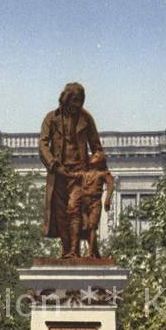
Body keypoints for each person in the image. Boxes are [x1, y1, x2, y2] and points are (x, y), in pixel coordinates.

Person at [39, 82, 103, 257]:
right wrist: (53, 164)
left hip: (79, 174)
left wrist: (93, 166)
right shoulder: (51, 118)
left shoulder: (86, 119)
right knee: (60, 215)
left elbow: (97, 147)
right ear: (65, 99)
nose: (78, 105)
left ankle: (74, 250)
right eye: (75, 100)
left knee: (74, 210)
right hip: (58, 173)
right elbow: (43, 145)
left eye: (81, 101)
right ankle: (67, 250)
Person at [66, 151, 114, 258]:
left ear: (100, 161)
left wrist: (108, 199)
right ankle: (83, 251)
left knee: (92, 227)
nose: (92, 157)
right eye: (93, 156)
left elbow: (111, 184)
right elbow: (71, 175)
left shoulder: (102, 174)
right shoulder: (84, 174)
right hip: (84, 205)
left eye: (96, 156)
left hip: (95, 202)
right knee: (85, 226)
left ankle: (91, 253)